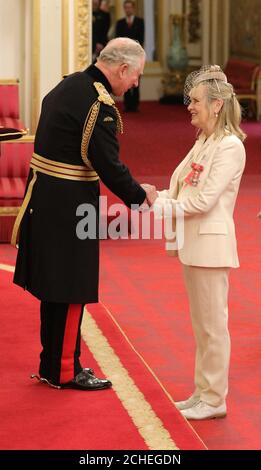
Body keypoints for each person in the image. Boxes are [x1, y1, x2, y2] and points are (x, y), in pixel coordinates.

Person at [12, 37, 157, 391]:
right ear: (122, 69)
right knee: (70, 288)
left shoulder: (69, 85)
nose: (135, 83)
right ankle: (63, 370)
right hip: (70, 207)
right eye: (136, 75)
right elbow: (108, 164)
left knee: (53, 287)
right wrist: (140, 196)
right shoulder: (99, 103)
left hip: (44, 197)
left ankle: (52, 364)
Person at [154, 65, 246, 419]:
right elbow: (184, 189)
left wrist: (158, 205)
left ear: (217, 104)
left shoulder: (230, 146)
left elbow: (203, 201)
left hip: (211, 246)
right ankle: (203, 392)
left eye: (194, 101)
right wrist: (152, 196)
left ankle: (215, 399)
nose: (189, 106)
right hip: (194, 246)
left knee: (213, 327)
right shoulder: (204, 141)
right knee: (201, 326)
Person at [115, 0, 144, 112]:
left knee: (136, 80)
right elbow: (118, 40)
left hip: (136, 56)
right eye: (126, 7)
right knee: (125, 80)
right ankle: (127, 105)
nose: (128, 10)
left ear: (133, 8)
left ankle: (135, 105)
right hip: (124, 56)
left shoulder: (140, 22)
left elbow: (141, 40)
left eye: (129, 7)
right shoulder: (120, 23)